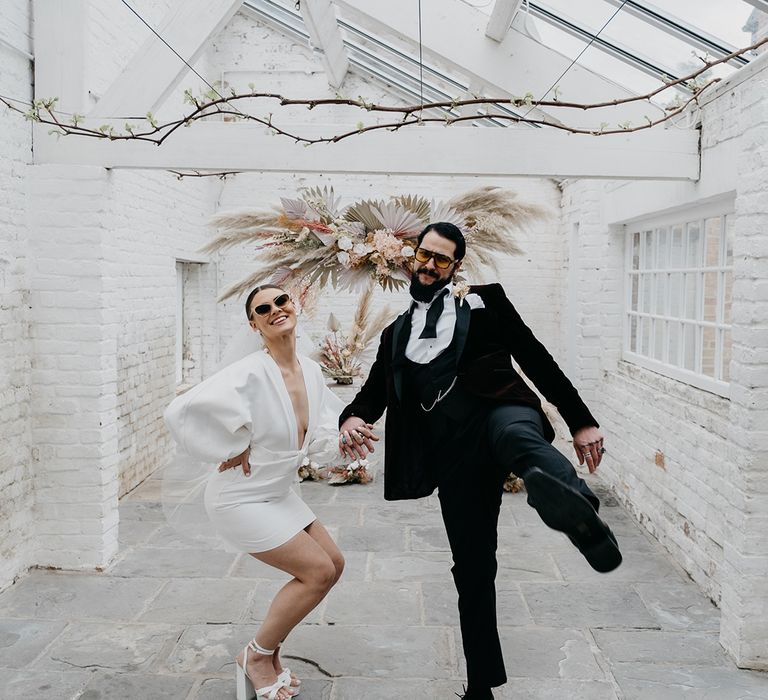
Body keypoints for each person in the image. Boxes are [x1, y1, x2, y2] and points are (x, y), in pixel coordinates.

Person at [337, 222, 621, 700]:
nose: (429, 265)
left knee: (518, 439)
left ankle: (579, 510)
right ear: (412, 256)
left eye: (442, 259)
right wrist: (351, 419)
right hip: (453, 453)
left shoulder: (486, 301)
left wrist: (580, 421)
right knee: (472, 568)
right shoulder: (395, 333)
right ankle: (481, 686)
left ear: (456, 267)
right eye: (424, 255)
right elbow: (371, 395)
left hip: (498, 408)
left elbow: (536, 358)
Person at [165, 285, 354, 700]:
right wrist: (232, 445)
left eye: (281, 302)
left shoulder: (311, 369)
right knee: (317, 572)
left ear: (295, 306)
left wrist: (347, 432)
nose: (275, 311)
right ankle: (254, 656)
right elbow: (181, 411)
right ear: (254, 324)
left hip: (277, 492)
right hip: (241, 497)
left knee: (335, 564)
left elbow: (322, 427)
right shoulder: (249, 371)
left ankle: (269, 655)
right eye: (262, 309)